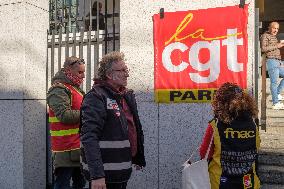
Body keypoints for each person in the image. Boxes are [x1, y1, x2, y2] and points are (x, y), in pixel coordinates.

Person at [80, 51, 146, 189]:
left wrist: (137, 157)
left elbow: (134, 129)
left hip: (122, 171)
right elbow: (89, 137)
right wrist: (97, 175)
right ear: (109, 75)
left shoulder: (125, 96)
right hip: (104, 176)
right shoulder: (96, 97)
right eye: (122, 70)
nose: (126, 74)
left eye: (126, 69)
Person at [199, 82, 261, 189]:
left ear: (220, 103)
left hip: (220, 182)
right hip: (248, 182)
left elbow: (204, 154)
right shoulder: (253, 123)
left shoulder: (215, 125)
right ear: (246, 101)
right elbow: (256, 148)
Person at [47, 56, 86, 189]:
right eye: (80, 72)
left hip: (78, 147)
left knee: (80, 183)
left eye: (84, 72)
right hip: (65, 149)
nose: (83, 76)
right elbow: (64, 115)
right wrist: (88, 114)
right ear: (69, 71)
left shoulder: (75, 89)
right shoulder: (58, 89)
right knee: (62, 184)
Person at [260, 21, 284, 110]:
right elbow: (263, 48)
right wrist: (277, 46)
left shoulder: (273, 36)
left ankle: (277, 93)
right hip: (271, 61)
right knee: (274, 82)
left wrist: (280, 45)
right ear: (269, 27)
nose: (276, 30)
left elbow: (275, 48)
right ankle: (275, 103)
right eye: (274, 28)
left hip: (277, 61)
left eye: (277, 28)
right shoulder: (265, 36)